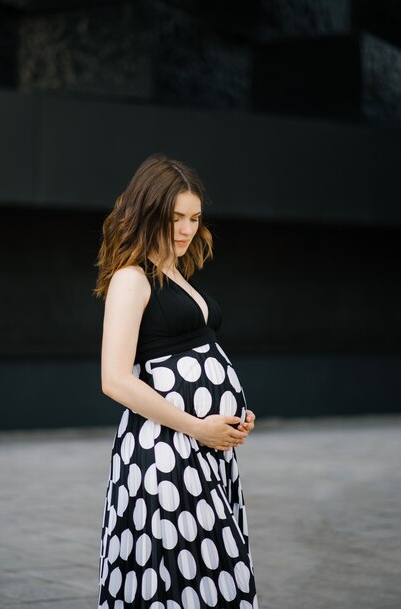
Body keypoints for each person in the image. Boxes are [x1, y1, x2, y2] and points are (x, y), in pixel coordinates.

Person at [94, 153, 259, 608]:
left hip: (201, 449)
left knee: (209, 572)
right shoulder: (133, 278)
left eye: (194, 218)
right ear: (149, 213)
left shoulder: (176, 274)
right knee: (182, 577)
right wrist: (197, 425)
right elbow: (114, 379)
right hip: (165, 456)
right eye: (174, 218)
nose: (186, 229)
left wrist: (229, 417)